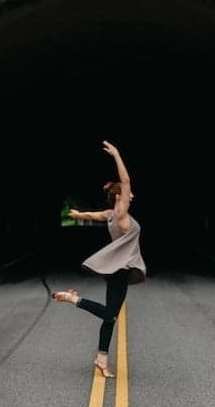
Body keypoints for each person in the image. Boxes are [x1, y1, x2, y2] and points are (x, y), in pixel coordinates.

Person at [52, 141, 146, 378]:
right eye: (127, 195)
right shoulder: (121, 213)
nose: (131, 196)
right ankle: (74, 299)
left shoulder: (110, 215)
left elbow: (93, 215)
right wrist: (117, 155)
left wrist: (77, 214)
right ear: (118, 197)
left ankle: (102, 358)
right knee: (110, 314)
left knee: (110, 317)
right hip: (120, 271)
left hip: (114, 270)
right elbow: (126, 182)